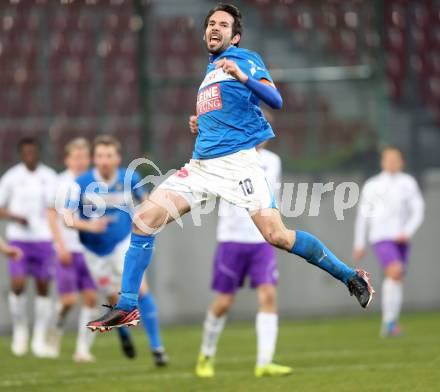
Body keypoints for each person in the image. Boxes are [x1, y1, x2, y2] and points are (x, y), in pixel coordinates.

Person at [89, 3, 374, 335]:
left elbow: (275, 100)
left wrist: (243, 76)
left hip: (238, 166)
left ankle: (350, 277)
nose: (214, 28)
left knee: (277, 236)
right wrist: (201, 124)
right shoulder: (209, 73)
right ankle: (127, 306)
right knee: (142, 220)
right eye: (210, 23)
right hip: (200, 167)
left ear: (235, 36)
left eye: (222, 25)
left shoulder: (244, 59)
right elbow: (227, 113)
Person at [64, 135, 168, 366]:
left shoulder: (129, 177)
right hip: (94, 251)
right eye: (100, 156)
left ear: (117, 158)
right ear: (94, 158)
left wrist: (151, 212)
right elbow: (67, 219)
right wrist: (89, 225)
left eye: (109, 156)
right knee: (112, 298)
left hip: (123, 243)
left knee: (140, 289)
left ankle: (157, 348)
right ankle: (124, 335)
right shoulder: (81, 183)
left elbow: (148, 202)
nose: (104, 160)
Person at [195, 140, 292, 377]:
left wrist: (277, 230)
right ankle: (206, 355)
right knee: (224, 302)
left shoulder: (273, 161)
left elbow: (274, 199)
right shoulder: (228, 155)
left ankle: (264, 362)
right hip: (232, 239)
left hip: (262, 241)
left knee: (268, 295)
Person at [353, 146, 424, 337]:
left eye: (396, 159)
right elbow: (363, 216)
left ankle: (390, 323)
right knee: (394, 272)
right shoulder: (373, 185)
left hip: (401, 238)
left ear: (402, 162)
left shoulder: (408, 183)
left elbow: (418, 210)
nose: (392, 162)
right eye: (388, 159)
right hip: (381, 237)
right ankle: (389, 323)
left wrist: (407, 231)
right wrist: (359, 243)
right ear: (382, 162)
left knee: (397, 277)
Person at [0, 137, 57, 357]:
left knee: (43, 287)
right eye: (26, 153)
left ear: (38, 153)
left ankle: (39, 336)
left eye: (33, 152)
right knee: (18, 283)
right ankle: (20, 329)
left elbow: (56, 208)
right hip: (19, 239)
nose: (30, 156)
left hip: (43, 239)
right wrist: (15, 216)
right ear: (21, 154)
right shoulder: (12, 177)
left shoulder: (49, 177)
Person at [46, 138, 101, 362]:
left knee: (91, 299)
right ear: (68, 159)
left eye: (84, 157)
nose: (81, 162)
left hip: (89, 251)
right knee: (68, 301)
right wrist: (59, 245)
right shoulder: (60, 183)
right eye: (76, 157)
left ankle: (82, 349)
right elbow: (51, 215)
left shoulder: (95, 183)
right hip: (67, 249)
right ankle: (55, 330)